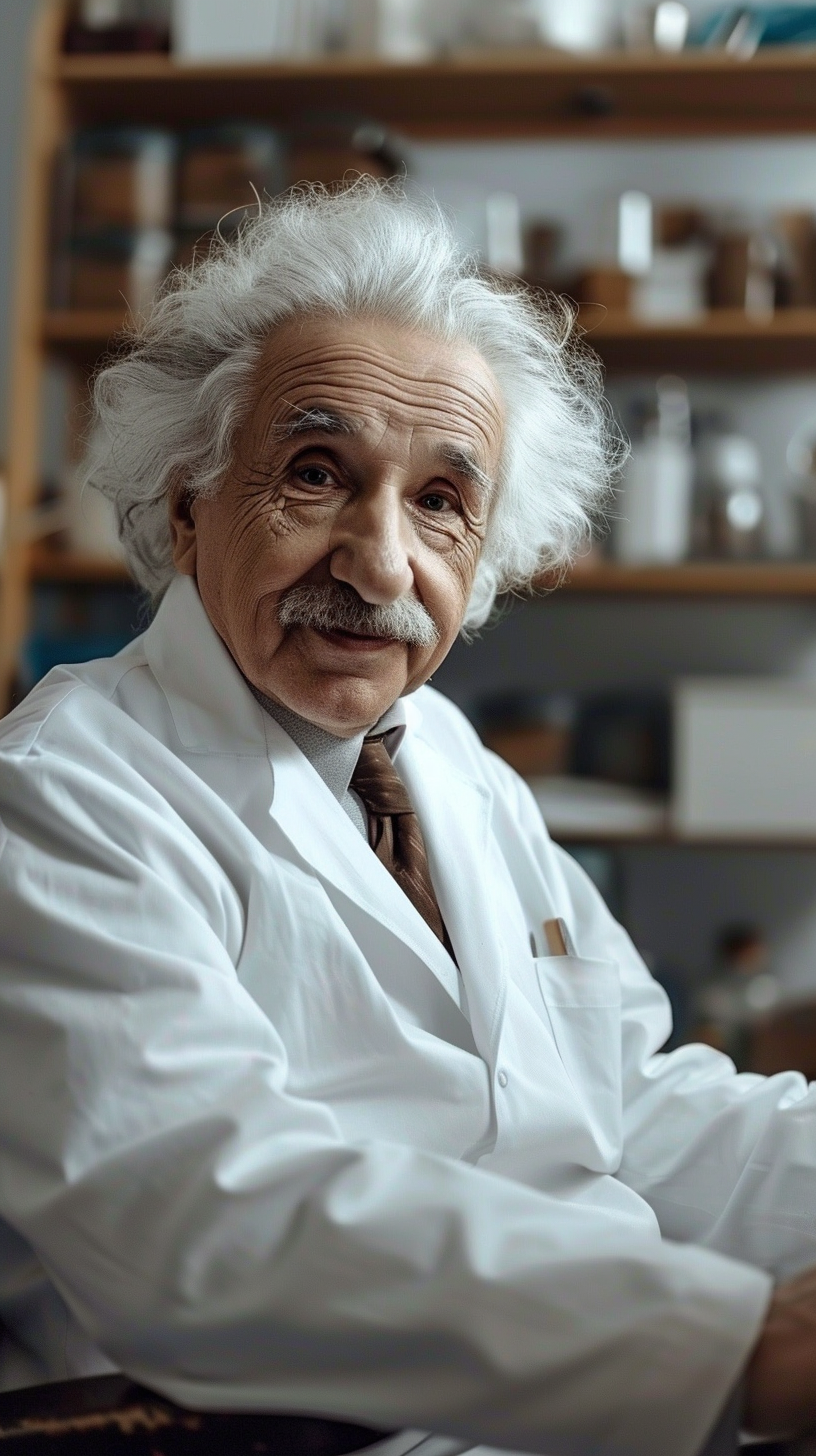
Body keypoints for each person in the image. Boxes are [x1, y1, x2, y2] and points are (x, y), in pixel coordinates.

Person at [1, 181, 815, 1456]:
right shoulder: (60, 797)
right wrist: (737, 1347)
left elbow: (632, 1109)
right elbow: (202, 1222)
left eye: (442, 500)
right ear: (188, 503)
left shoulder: (447, 760)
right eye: (317, 473)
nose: (382, 563)